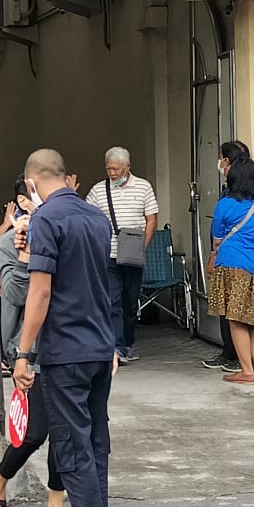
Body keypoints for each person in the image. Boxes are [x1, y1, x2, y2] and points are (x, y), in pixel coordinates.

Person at [13, 148, 116, 507]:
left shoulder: (45, 221)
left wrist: (22, 352)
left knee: (73, 452)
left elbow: (40, 293)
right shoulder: (95, 217)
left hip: (66, 351)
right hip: (98, 345)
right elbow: (96, 283)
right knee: (94, 447)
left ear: (32, 184)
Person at [0, 179, 72, 507]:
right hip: (28, 350)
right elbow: (17, 295)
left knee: (63, 432)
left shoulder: (62, 235)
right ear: (24, 201)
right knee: (36, 431)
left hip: (64, 346)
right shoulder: (8, 243)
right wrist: (25, 252)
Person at [85, 147, 159, 364]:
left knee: (130, 301)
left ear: (127, 167)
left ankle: (127, 343)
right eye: (109, 169)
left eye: (116, 169)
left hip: (133, 254)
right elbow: (89, 217)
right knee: (112, 300)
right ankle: (116, 347)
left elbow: (151, 219)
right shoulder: (98, 190)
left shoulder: (143, 187)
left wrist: (141, 247)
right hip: (108, 254)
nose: (112, 173)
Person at [207, 156, 254, 385]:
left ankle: (247, 371)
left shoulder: (225, 204)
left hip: (232, 265)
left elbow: (217, 239)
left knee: (235, 320)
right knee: (251, 320)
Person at [202, 140, 251, 373]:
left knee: (234, 309)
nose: (219, 162)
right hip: (235, 255)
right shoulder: (232, 189)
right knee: (228, 307)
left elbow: (220, 232)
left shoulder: (235, 193)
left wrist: (215, 249)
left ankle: (235, 357)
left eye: (221, 157)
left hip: (232, 255)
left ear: (228, 162)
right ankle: (232, 354)